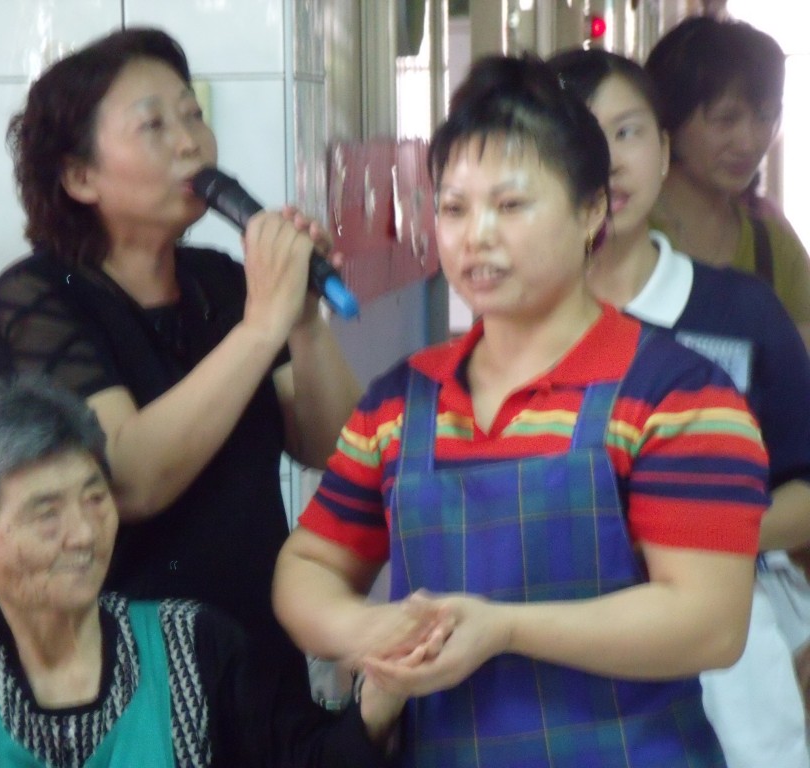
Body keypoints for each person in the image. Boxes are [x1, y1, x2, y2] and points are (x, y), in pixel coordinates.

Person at [271, 54, 769, 767]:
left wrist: (504, 630)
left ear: (591, 210)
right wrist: (366, 630)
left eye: (510, 206)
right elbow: (310, 565)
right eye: (454, 208)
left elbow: (709, 623)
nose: (476, 235)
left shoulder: (678, 396)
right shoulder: (401, 403)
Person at [0, 27, 362, 683]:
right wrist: (262, 327)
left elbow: (335, 445)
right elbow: (127, 479)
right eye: (154, 125)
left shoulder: (224, 283)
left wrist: (302, 323)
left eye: (193, 115)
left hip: (252, 662)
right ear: (80, 177)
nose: (190, 142)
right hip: (111, 681)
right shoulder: (35, 301)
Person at [0, 375, 405, 767]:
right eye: (46, 513)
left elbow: (307, 761)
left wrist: (381, 694)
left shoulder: (196, 648)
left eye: (95, 498)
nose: (84, 534)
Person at [549, 46, 810, 768]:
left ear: (664, 151)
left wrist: (692, 533)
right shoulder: (517, 331)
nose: (607, 160)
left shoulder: (742, 312)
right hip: (566, 666)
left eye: (627, 131)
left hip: (735, 670)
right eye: (579, 133)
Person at [645, 15, 810, 346]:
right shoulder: (620, 235)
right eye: (726, 119)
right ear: (670, 121)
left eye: (764, 117)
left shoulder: (773, 248)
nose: (749, 143)